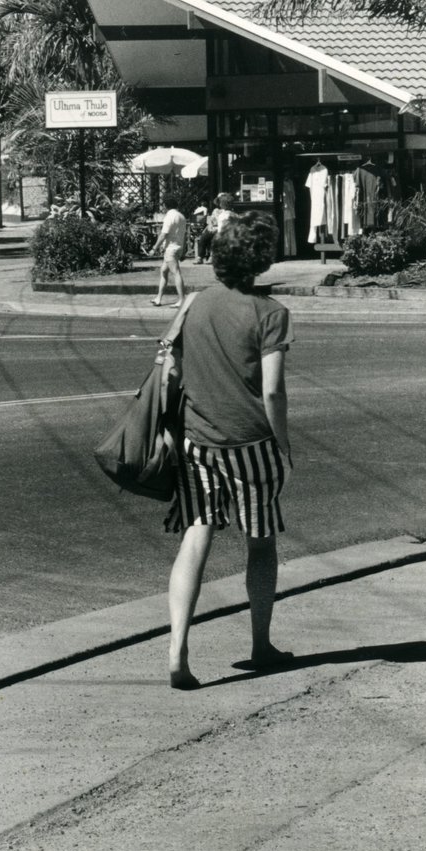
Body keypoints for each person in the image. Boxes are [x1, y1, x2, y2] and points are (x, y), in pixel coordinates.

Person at [163, 211, 294, 688]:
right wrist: (282, 443)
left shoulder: (193, 304)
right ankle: (260, 645)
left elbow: (170, 371)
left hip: (198, 440)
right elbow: (274, 392)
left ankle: (178, 647)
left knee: (195, 537)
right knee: (260, 544)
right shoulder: (270, 314)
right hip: (251, 443)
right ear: (261, 262)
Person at [146, 197, 188, 308]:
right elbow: (184, 234)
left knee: (176, 273)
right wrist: (183, 251)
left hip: (171, 249)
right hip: (178, 247)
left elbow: (164, 234)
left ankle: (182, 300)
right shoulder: (181, 216)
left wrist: (154, 248)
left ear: (165, 205)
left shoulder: (169, 216)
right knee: (164, 271)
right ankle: (158, 298)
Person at [195, 191, 236, 263]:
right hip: (212, 227)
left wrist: (216, 228)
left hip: (219, 229)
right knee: (203, 238)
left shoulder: (229, 212)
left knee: (214, 238)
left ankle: (212, 257)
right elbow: (210, 220)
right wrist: (210, 226)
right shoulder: (215, 210)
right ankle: (200, 257)